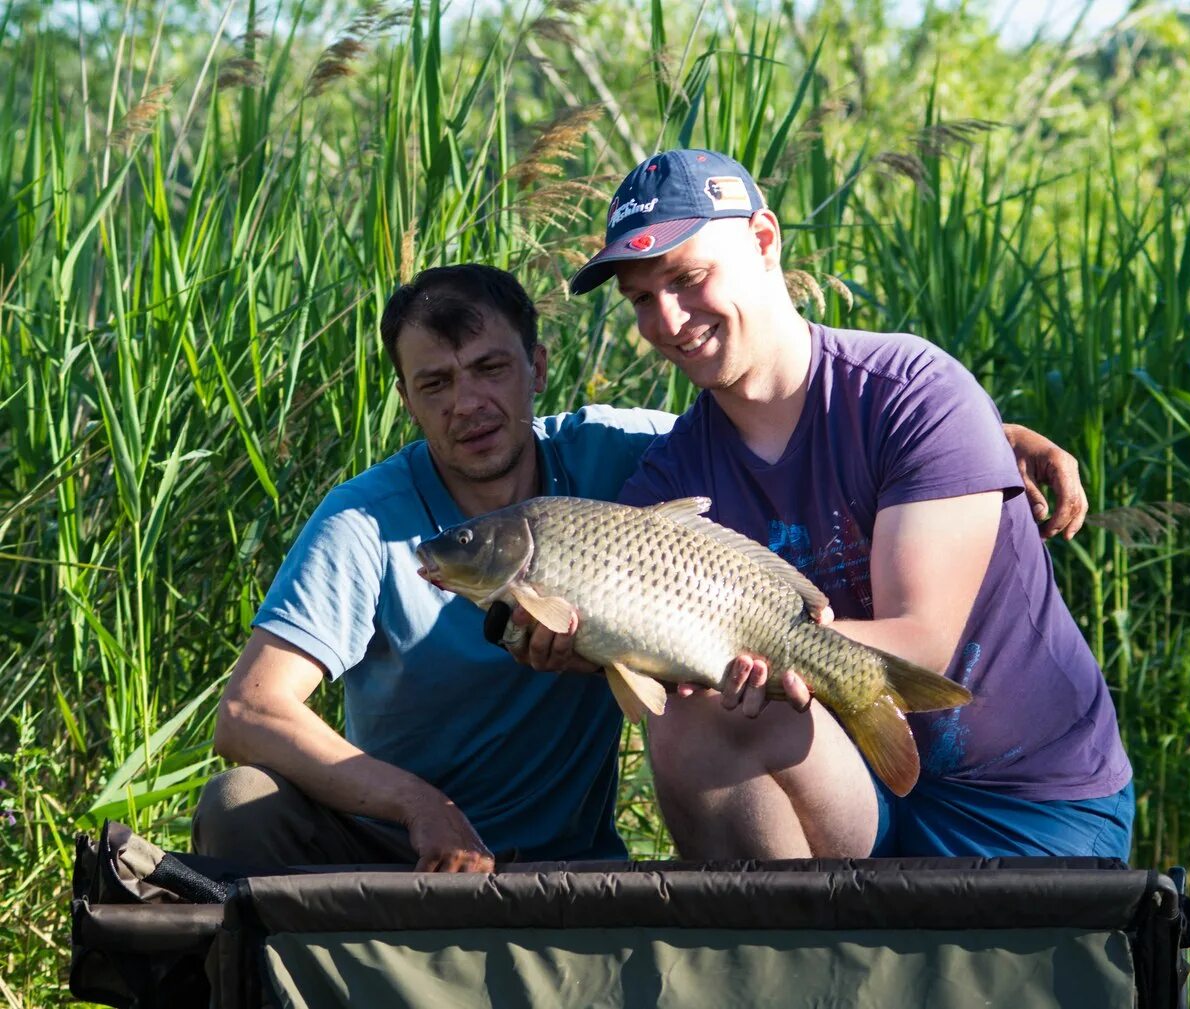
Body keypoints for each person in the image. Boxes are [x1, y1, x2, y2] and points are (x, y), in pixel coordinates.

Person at [195, 259, 1089, 873]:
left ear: (537, 367)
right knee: (239, 801)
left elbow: (781, 427)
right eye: (435, 382)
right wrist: (416, 803)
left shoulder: (614, 462)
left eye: (490, 368)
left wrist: (982, 435)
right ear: (405, 396)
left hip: (561, 861)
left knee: (703, 722)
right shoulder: (364, 524)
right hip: (390, 843)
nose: (468, 403)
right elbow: (248, 711)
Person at [544, 148, 1133, 862]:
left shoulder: (914, 392)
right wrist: (571, 639)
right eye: (641, 298)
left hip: (1028, 802)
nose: (666, 319)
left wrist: (988, 431)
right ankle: (788, 960)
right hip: (853, 796)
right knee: (690, 723)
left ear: (764, 241)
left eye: (687, 278)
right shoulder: (669, 476)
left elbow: (923, 643)